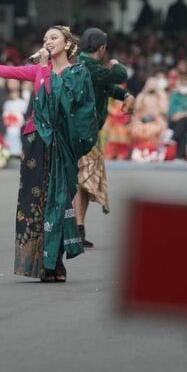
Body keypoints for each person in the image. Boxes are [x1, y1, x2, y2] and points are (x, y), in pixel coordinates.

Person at [0, 25, 97, 283]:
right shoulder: (40, 70)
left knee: (60, 200)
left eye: (53, 38)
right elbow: (9, 71)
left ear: (68, 44)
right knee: (36, 203)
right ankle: (40, 264)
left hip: (62, 145)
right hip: (36, 142)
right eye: (45, 39)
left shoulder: (78, 73)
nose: (48, 42)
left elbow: (71, 103)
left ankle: (55, 262)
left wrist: (42, 67)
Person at [73, 28, 134, 248]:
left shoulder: (87, 67)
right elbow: (120, 76)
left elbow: (108, 87)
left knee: (84, 182)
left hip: (86, 132)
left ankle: (78, 229)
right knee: (83, 180)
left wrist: (125, 95)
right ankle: (74, 229)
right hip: (83, 134)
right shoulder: (88, 66)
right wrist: (116, 63)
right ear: (102, 48)